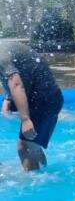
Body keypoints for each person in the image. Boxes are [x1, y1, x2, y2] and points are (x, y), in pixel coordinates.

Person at [0, 41, 64, 171]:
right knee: (32, 146)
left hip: (44, 100)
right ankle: (44, 175)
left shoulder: (1, 55)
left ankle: (34, 181)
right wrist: (8, 99)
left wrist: (25, 119)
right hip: (46, 97)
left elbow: (16, 84)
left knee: (25, 147)